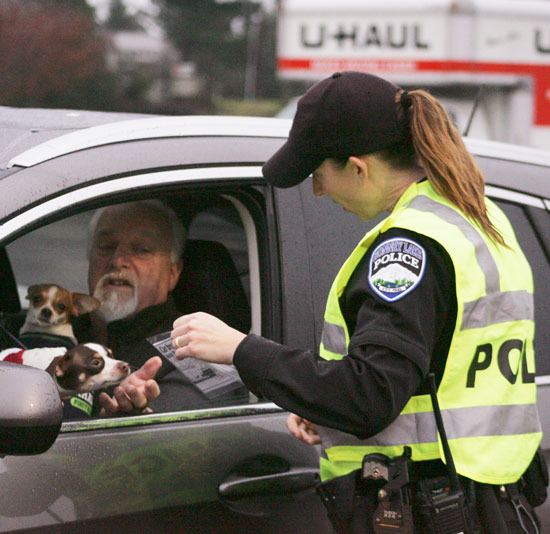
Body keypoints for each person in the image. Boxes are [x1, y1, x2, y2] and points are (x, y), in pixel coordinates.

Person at [170, 72, 544, 533]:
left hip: (438, 511)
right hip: (494, 506)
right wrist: (327, 411)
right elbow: (437, 378)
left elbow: (370, 396)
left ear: (358, 168)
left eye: (318, 174)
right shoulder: (479, 222)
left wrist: (241, 349)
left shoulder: (408, 251)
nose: (318, 191)